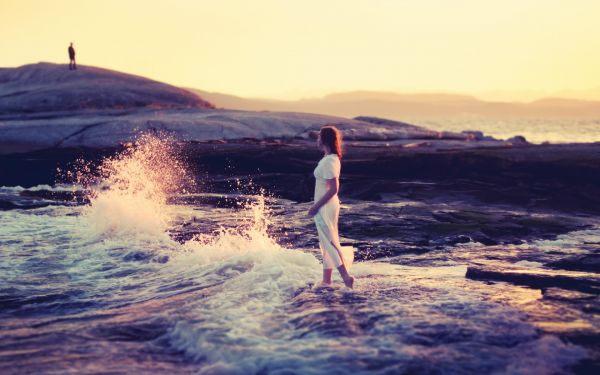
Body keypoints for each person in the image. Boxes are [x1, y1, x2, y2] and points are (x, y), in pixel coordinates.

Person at [308, 125, 355, 289]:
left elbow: (334, 189)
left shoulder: (329, 161)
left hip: (325, 206)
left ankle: (346, 277)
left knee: (329, 242)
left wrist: (316, 206)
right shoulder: (330, 158)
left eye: (319, 136)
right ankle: (326, 280)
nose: (317, 139)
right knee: (326, 242)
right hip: (327, 205)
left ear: (324, 139)